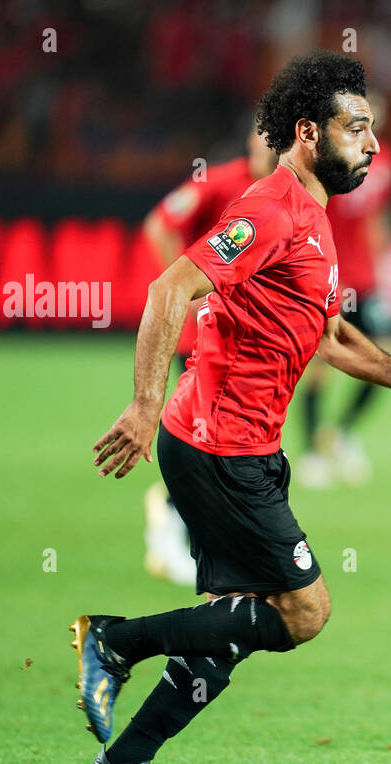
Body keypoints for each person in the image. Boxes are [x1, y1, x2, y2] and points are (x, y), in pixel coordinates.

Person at [73, 51, 391, 764]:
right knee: (304, 611)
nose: (372, 144)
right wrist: (141, 403)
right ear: (306, 131)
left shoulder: (314, 216)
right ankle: (114, 641)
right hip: (216, 444)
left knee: (225, 630)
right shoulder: (272, 209)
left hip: (245, 444)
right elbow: (170, 287)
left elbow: (329, 337)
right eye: (356, 128)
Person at [140, 129, 278, 586]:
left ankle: (193, 536)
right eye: (260, 145)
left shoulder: (285, 195)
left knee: (225, 448)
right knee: (212, 446)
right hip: (205, 341)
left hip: (250, 346)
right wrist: (186, 290)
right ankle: (167, 519)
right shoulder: (219, 182)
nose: (266, 154)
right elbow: (159, 223)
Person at [296, 98, 391, 489]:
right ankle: (310, 451)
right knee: (320, 362)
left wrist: (387, 267)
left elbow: (378, 216)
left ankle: (340, 434)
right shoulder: (329, 154)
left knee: (386, 356)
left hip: (367, 278)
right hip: (330, 272)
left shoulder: (385, 159)